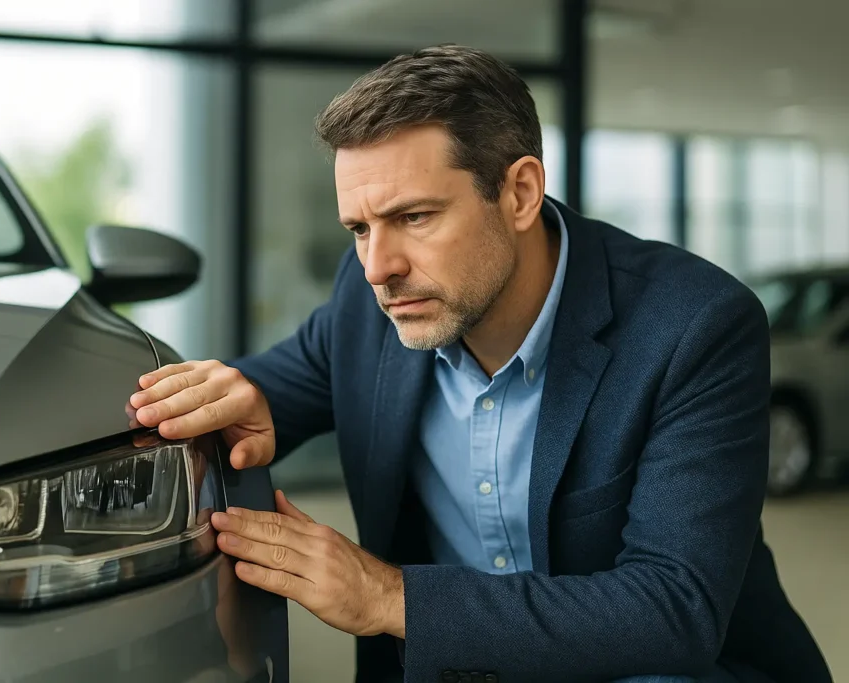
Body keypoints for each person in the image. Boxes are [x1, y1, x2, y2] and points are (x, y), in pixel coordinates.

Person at [128, 45, 831, 683]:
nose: (379, 267)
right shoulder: (371, 298)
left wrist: (386, 596)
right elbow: (273, 386)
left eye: (414, 217)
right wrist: (230, 395)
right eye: (359, 228)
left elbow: (674, 609)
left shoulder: (694, 325)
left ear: (520, 192)